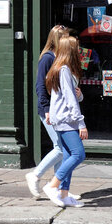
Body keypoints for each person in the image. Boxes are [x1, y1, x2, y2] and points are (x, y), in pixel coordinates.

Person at [25, 25, 82, 201]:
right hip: (51, 112)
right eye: (64, 37)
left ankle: (60, 188)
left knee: (64, 150)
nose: (67, 40)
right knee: (61, 148)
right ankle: (36, 175)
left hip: (58, 112)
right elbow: (40, 86)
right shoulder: (48, 58)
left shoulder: (60, 59)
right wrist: (46, 109)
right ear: (57, 39)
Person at [41, 35, 87, 208]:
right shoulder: (64, 70)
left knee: (68, 155)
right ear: (70, 50)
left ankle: (64, 194)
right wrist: (81, 123)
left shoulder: (58, 68)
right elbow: (69, 99)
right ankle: (53, 185)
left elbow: (66, 96)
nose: (79, 51)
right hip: (66, 120)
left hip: (61, 119)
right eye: (77, 47)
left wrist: (79, 95)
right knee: (78, 154)